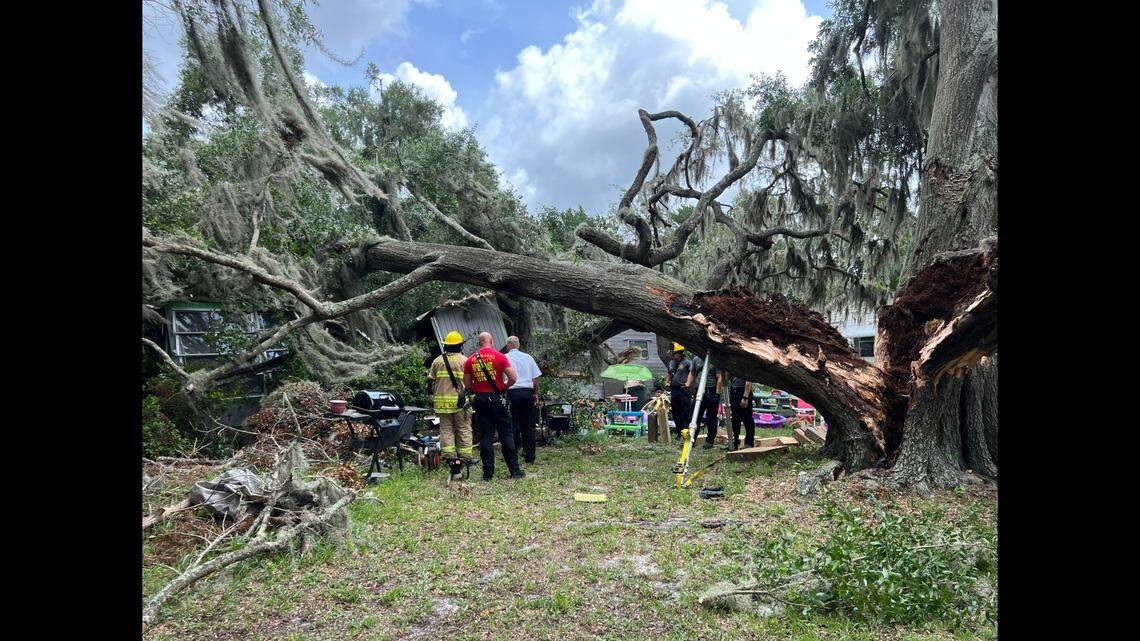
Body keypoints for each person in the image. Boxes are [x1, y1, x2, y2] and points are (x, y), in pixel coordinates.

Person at [463, 332, 525, 481]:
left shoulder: (470, 360)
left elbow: (466, 384)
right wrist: (504, 386)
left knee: (486, 435)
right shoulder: (500, 356)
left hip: (480, 400)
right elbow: (513, 378)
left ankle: (488, 474)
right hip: (497, 399)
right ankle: (514, 470)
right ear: (491, 341)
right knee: (506, 434)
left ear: (479, 342)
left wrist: (479, 387)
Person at [428, 331, 474, 481]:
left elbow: (430, 382)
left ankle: (450, 458)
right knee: (463, 428)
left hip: (441, 403)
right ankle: (465, 458)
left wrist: (433, 397)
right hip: (461, 403)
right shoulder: (465, 360)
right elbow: (471, 383)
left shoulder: (437, 361)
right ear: (460, 346)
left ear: (446, 345)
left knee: (446, 430)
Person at [504, 335, 542, 465]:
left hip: (512, 392)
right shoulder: (528, 358)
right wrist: (535, 393)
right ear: (518, 345)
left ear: (508, 345)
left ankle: (513, 454)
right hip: (527, 393)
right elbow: (536, 378)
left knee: (513, 425)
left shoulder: (505, 358)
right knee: (528, 425)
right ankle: (530, 455)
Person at [687, 354, 725, 448]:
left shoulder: (714, 359)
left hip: (711, 390)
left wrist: (717, 393)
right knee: (695, 416)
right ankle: (691, 439)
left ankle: (710, 441)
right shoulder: (696, 359)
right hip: (699, 390)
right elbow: (692, 373)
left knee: (711, 417)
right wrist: (688, 384)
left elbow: (720, 377)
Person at [667, 343, 694, 440]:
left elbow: (692, 374)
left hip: (684, 390)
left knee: (685, 411)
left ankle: (685, 431)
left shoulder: (687, 363)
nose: (673, 355)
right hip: (674, 390)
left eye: (674, 354)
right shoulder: (671, 363)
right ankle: (679, 432)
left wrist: (689, 385)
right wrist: (666, 383)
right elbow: (669, 374)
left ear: (680, 353)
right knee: (675, 411)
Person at [727, 374, 756, 450]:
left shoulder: (745, 364)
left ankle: (749, 443)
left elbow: (749, 381)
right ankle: (734, 442)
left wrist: (745, 397)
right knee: (735, 419)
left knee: (747, 418)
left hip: (743, 391)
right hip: (734, 391)